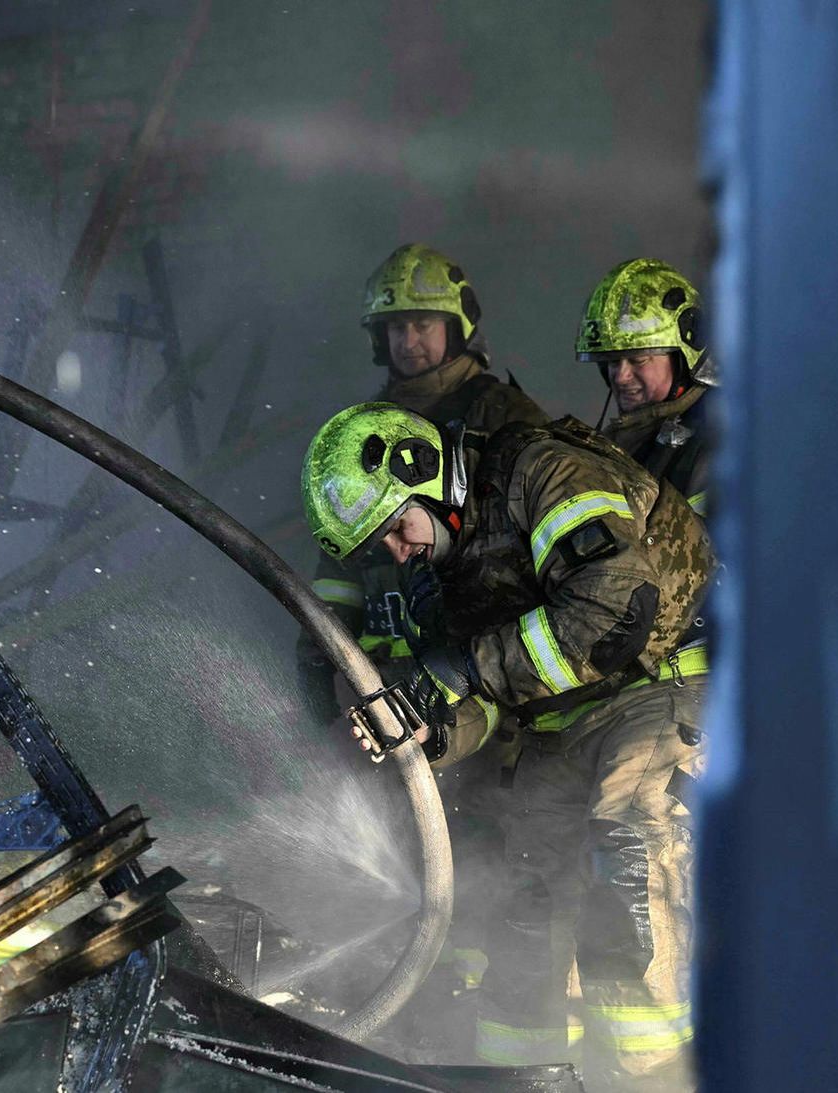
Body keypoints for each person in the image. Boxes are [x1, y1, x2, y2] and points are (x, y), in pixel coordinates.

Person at [301, 402, 713, 1091]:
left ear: (422, 470)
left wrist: (463, 670)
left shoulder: (538, 470)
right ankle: (526, 1079)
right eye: (382, 547)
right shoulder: (440, 578)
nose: (399, 552)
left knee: (624, 879)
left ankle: (661, 1078)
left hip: (655, 691)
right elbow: (490, 700)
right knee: (524, 913)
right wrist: (426, 727)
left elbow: (617, 609)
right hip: (556, 731)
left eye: (397, 527)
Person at [298, 244, 548, 1047]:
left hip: (482, 666)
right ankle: (417, 1001)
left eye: (425, 324)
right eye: (397, 326)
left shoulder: (501, 419)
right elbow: (339, 557)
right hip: (405, 661)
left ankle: (471, 1010)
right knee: (410, 831)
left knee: (489, 837)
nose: (411, 340)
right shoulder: (367, 428)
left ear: (459, 325)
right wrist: (323, 655)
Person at [577, 258, 717, 518]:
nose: (621, 376)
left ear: (685, 355)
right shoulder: (626, 443)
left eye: (638, 360)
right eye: (612, 362)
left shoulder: (719, 444)